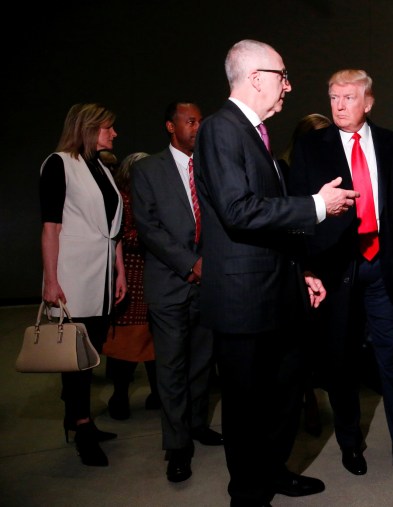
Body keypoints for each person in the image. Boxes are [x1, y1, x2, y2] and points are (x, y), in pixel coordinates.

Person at [193, 40, 358, 507]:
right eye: (282, 75)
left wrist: (299, 271)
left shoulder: (256, 134)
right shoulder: (220, 129)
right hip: (244, 302)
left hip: (278, 292)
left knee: (284, 397)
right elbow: (238, 210)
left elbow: (270, 218)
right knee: (247, 410)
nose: (288, 84)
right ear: (255, 78)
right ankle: (248, 495)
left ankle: (273, 473)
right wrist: (316, 206)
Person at [289, 69, 393, 487]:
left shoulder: (392, 145)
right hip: (336, 266)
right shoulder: (310, 147)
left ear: (368, 102)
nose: (338, 105)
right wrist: (306, 268)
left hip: (384, 265)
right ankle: (350, 444)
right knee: (341, 361)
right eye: (333, 97)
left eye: (348, 98)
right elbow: (299, 212)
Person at [131, 101, 223, 484]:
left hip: (208, 285)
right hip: (170, 285)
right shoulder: (147, 169)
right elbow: (149, 229)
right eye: (190, 120)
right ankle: (178, 445)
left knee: (202, 363)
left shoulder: (208, 167)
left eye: (201, 120)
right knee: (171, 368)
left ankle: (198, 424)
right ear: (171, 126)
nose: (197, 126)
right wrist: (190, 264)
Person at [39, 103, 127, 466]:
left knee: (90, 355)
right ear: (89, 129)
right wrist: (50, 280)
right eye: (108, 128)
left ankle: (76, 417)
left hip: (103, 274)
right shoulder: (59, 163)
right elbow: (50, 227)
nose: (114, 134)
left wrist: (120, 270)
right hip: (73, 274)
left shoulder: (101, 167)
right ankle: (82, 425)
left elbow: (114, 226)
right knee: (75, 356)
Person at [278, 112, 333, 439]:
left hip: (329, 262)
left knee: (322, 339)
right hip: (301, 263)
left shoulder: (332, 169)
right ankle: (307, 398)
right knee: (299, 340)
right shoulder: (284, 170)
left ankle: (314, 394)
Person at [102, 151, 160, 420]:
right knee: (127, 339)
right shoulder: (123, 199)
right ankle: (120, 395)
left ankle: (158, 393)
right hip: (131, 275)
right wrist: (155, 235)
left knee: (155, 338)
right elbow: (123, 236)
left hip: (154, 274)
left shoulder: (150, 198)